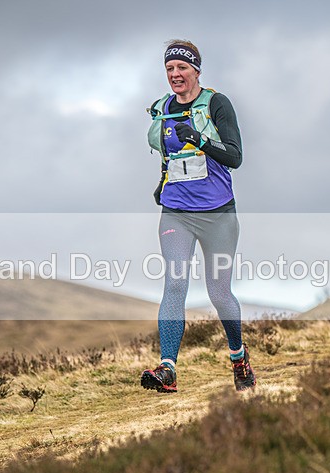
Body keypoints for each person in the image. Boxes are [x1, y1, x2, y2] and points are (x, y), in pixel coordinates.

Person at [140, 39, 256, 393]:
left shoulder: (217, 104)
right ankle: (168, 370)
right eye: (170, 69)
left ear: (196, 71)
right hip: (176, 213)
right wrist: (163, 184)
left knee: (219, 293)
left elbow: (235, 157)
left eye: (182, 68)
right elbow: (168, 157)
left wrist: (201, 140)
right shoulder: (162, 108)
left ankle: (238, 356)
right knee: (175, 283)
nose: (175, 74)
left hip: (218, 214)